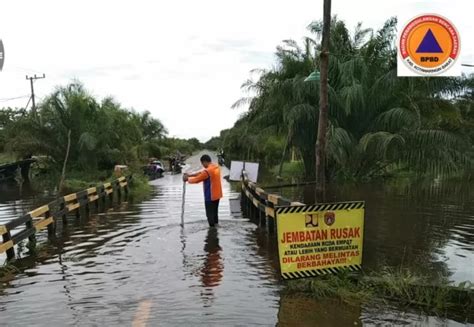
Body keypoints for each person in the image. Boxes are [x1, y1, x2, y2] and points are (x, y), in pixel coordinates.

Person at [183, 154, 223, 227]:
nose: (202, 165)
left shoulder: (208, 171)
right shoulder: (215, 167)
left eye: (202, 163)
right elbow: (201, 173)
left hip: (210, 196)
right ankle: (216, 228)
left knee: (209, 215)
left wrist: (187, 179)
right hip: (217, 195)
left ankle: (212, 231)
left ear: (204, 161)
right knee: (215, 214)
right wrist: (190, 175)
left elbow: (197, 179)